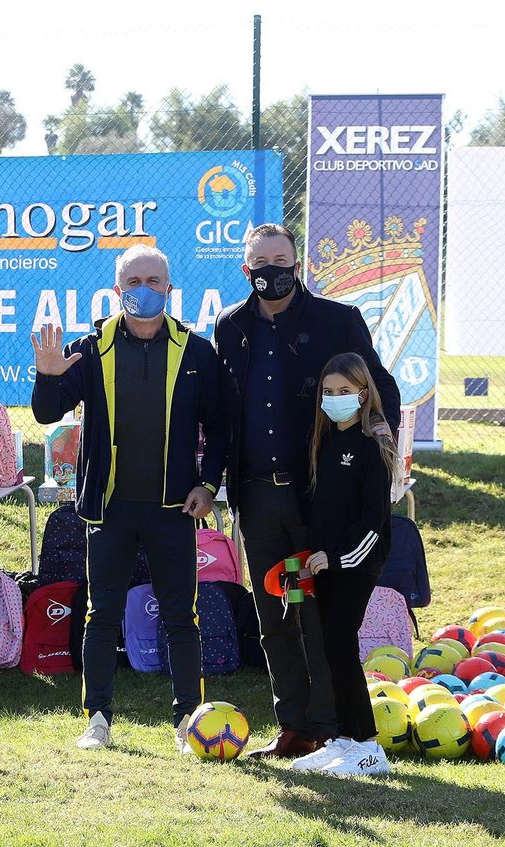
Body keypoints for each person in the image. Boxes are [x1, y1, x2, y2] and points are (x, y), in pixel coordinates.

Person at [214, 222, 401, 760]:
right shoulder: (231, 326)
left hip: (316, 495)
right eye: (261, 263)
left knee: (317, 614)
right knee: (275, 611)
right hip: (255, 496)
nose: (272, 271)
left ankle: (334, 729)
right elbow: (224, 413)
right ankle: (294, 728)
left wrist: (381, 438)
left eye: (282, 260)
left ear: (298, 264)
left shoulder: (337, 320)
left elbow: (379, 387)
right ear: (245, 270)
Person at [31, 243, 227, 752]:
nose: (144, 291)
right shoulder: (90, 347)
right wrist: (48, 374)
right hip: (110, 509)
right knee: (102, 614)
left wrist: (207, 485)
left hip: (172, 511)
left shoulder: (197, 352)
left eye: (154, 282)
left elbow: (223, 428)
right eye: (133, 282)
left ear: (169, 289)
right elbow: (48, 413)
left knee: (182, 616)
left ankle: (188, 721)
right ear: (117, 290)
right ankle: (97, 718)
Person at [287, 353, 397, 776]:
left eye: (345, 392)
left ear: (363, 394)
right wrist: (316, 556)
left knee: (341, 645)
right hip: (326, 564)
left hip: (355, 564)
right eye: (328, 392)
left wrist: (339, 558)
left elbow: (373, 519)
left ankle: (367, 745)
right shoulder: (325, 440)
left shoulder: (373, 444)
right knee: (331, 647)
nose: (335, 399)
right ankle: (345, 742)